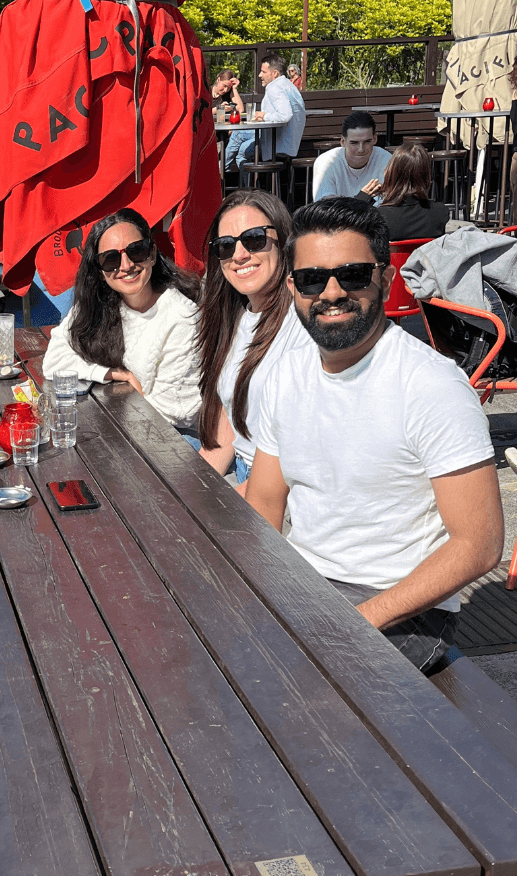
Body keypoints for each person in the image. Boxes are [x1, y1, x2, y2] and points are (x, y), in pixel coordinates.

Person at [245, 198, 503, 672]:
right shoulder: (286, 372)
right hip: (307, 584)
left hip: (399, 605)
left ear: (385, 280)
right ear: (292, 288)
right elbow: (264, 502)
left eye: (354, 274)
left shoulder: (431, 385)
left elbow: (481, 544)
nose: (332, 291)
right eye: (311, 278)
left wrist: (356, 621)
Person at [42, 208, 201, 428]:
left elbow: (175, 413)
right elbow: (54, 361)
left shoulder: (182, 317)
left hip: (173, 441)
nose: (126, 266)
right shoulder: (99, 302)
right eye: (110, 259)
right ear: (99, 271)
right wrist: (113, 373)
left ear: (153, 254)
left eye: (136, 251)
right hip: (117, 422)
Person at [195, 190, 311, 489]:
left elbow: (301, 451)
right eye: (225, 246)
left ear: (284, 240)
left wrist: (227, 507)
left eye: (255, 238)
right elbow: (228, 416)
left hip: (284, 490)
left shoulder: (304, 322)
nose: (239, 254)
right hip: (245, 474)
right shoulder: (236, 316)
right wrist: (196, 490)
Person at [225, 53, 306, 171]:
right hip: (289, 142)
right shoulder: (289, 85)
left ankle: (220, 172)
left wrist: (265, 116)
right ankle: (223, 171)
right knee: (242, 145)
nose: (259, 75)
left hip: (277, 144)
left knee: (240, 143)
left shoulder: (275, 88)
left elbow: (285, 115)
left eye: (263, 72)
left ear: (275, 74)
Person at [358, 143, 450, 241]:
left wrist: (361, 199)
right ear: (426, 175)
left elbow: (345, 226)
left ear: (391, 173)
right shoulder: (440, 212)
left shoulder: (379, 217)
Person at [313, 111, 392, 202]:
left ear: (375, 139)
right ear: (343, 142)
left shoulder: (386, 159)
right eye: (354, 143)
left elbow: (393, 205)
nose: (361, 149)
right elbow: (324, 209)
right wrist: (362, 198)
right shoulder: (326, 162)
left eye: (367, 142)